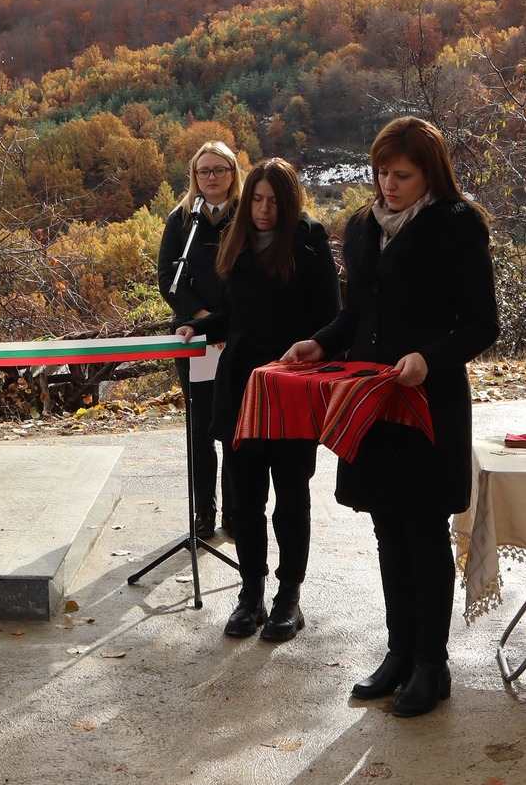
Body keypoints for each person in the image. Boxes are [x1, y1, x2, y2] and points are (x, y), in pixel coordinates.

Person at [285, 117, 498, 717]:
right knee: (386, 529)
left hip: (428, 403)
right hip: (371, 403)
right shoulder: (360, 226)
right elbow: (356, 313)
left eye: (402, 175)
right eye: (381, 173)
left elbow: (482, 323)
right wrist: (321, 344)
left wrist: (428, 358)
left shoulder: (457, 226)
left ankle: (434, 664)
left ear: (429, 173)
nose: (388, 185)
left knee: (424, 531)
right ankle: (400, 652)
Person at [178, 159, 339, 641]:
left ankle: (288, 597)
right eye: (257, 199)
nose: (264, 209)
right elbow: (231, 315)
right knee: (244, 502)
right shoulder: (237, 239)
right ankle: (250, 593)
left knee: (290, 499)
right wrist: (198, 326)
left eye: (273, 201)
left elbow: (331, 319)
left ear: (288, 203)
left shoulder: (310, 243)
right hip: (241, 389)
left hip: (290, 387)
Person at [157, 141, 242, 539]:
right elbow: (168, 281)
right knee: (202, 429)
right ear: (194, 175)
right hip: (194, 335)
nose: (211, 177)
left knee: (237, 429)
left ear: (232, 173)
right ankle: (204, 514)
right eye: (203, 171)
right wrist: (205, 319)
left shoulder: (247, 216)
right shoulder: (181, 220)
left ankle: (236, 513)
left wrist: (225, 321)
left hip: (239, 337)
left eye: (219, 170)